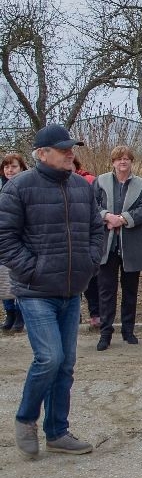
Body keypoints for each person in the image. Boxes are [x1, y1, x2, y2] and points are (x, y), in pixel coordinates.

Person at [1, 124, 103, 458]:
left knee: (66, 363)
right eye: (64, 149)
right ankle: (26, 419)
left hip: (72, 289)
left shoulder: (82, 187)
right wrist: (33, 269)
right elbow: (5, 239)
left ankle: (57, 431)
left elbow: (95, 230)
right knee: (49, 358)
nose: (71, 152)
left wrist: (90, 261)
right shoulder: (19, 188)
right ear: (42, 154)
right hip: (35, 291)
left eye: (72, 147)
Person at [93, 146, 142, 351]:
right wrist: (106, 216)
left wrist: (122, 220)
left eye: (127, 158)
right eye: (119, 159)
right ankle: (105, 333)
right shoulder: (100, 181)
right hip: (106, 246)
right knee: (106, 291)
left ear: (131, 162)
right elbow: (91, 205)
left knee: (130, 291)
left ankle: (128, 331)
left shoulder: (141, 184)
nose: (123, 162)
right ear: (113, 162)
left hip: (131, 245)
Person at [0, 153, 28, 333]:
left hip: (21, 239)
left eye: (14, 166)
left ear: (22, 168)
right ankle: (9, 311)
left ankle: (20, 312)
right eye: (7, 167)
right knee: (3, 278)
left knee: (19, 277)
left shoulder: (27, 186)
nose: (10, 170)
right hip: (2, 239)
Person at [72, 156, 100, 330]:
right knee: (71, 281)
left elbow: (97, 208)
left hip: (86, 237)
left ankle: (96, 313)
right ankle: (75, 315)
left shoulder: (89, 181)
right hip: (66, 240)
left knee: (91, 280)